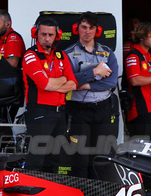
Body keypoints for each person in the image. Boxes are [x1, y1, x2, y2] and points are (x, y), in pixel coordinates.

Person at [65, 12, 120, 176]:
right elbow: (70, 82)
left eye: (91, 28)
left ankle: (100, 195)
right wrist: (96, 72)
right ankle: (80, 195)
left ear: (97, 30)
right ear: (77, 29)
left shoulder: (108, 53)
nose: (87, 31)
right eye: (84, 27)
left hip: (104, 109)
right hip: (79, 111)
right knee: (80, 156)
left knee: (102, 155)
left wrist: (85, 84)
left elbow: (111, 82)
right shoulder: (67, 54)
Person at [21, 17, 77, 173]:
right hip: (40, 112)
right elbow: (45, 84)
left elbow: (73, 84)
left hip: (60, 113)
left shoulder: (61, 55)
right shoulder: (30, 55)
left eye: (50, 35)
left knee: (55, 158)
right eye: (43, 34)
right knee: (37, 157)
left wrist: (54, 84)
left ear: (56, 36)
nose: (47, 38)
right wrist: (63, 79)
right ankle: (32, 193)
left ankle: (49, 194)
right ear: (35, 34)